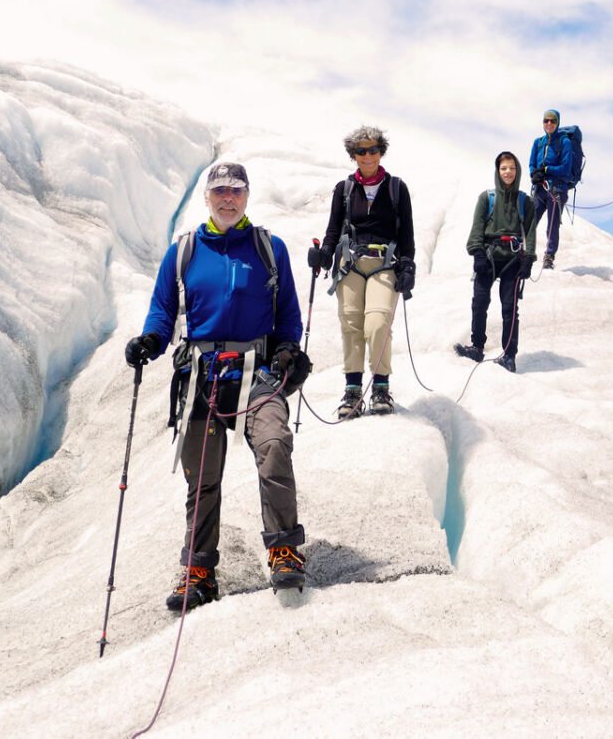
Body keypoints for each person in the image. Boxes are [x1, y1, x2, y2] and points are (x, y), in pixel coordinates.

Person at [124, 162, 310, 609]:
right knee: (202, 477)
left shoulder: (269, 248)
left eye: (237, 191)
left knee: (274, 445)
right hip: (201, 377)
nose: (228, 198)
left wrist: (288, 348)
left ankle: (284, 550)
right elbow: (163, 309)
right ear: (206, 197)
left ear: (247, 197)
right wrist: (152, 338)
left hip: (257, 372)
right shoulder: (184, 251)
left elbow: (287, 311)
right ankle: (199, 571)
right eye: (220, 190)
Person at [309, 125, 415, 417]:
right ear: (353, 155)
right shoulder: (344, 189)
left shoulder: (396, 188)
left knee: (378, 324)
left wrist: (408, 265)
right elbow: (333, 229)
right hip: (350, 262)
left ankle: (381, 386)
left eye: (373, 149)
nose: (368, 155)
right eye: (361, 151)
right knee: (351, 325)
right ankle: (353, 391)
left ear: (381, 151)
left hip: (385, 262)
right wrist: (324, 255)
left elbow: (406, 233)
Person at [454, 151, 537, 373]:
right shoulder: (487, 198)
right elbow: (477, 228)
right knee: (480, 302)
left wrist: (528, 258)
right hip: (489, 257)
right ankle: (477, 346)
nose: (507, 172)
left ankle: (509, 355)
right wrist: (477, 253)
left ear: (517, 171)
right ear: (497, 171)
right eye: (503, 168)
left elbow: (530, 232)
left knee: (510, 308)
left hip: (512, 259)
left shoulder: (525, 202)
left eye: (511, 168)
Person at [528, 109, 574, 269]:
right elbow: (532, 164)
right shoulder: (538, 142)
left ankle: (549, 256)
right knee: (529, 221)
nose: (549, 123)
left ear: (557, 123)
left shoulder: (565, 142)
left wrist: (546, 170)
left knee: (552, 225)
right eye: (546, 120)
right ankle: (523, 252)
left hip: (557, 189)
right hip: (540, 189)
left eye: (552, 121)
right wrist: (534, 174)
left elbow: (566, 168)